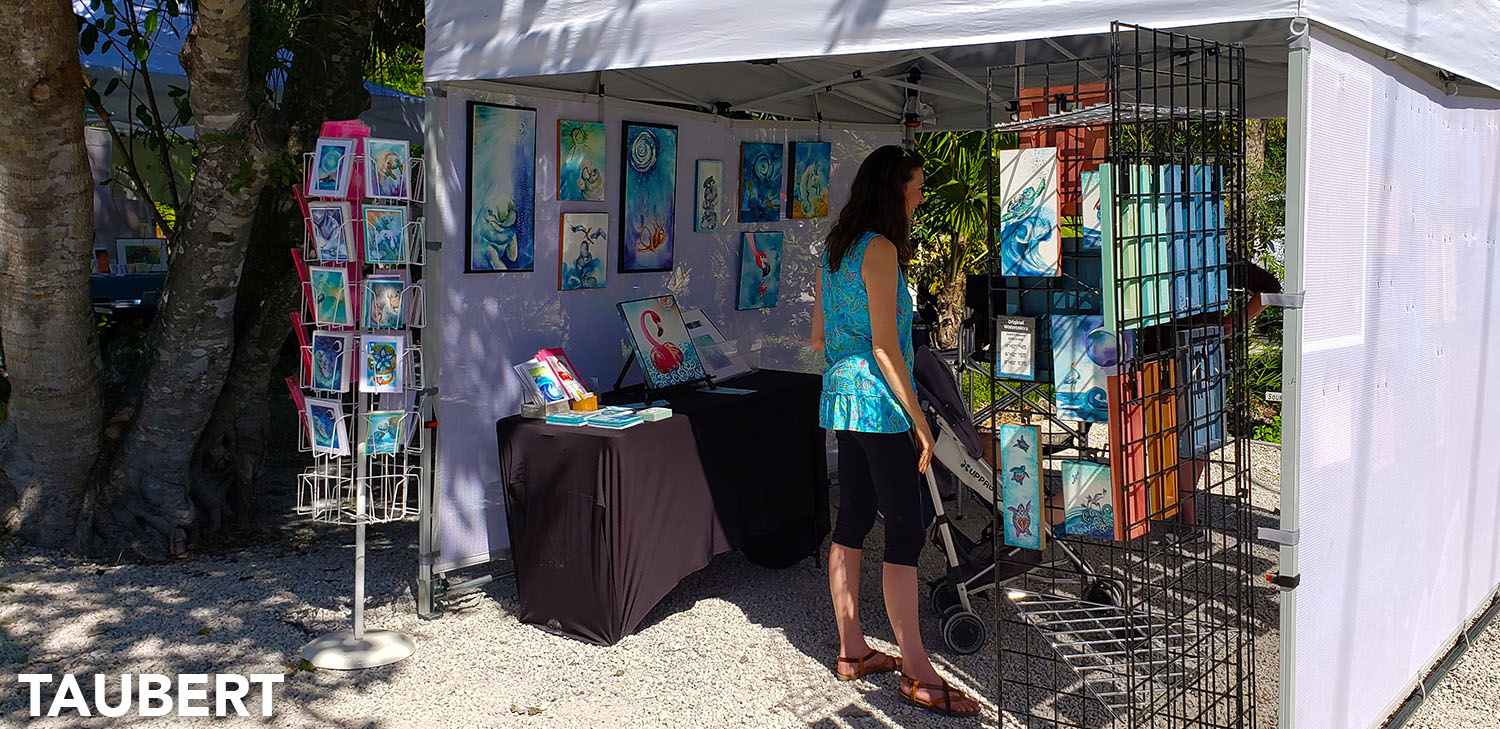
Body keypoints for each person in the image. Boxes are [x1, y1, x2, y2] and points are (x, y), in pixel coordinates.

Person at [810, 145, 981, 718]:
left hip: (839, 397)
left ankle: (852, 648)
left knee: (853, 518)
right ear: (893, 189)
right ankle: (915, 665)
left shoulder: (834, 250)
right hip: (875, 403)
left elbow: (817, 338)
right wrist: (918, 418)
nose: (923, 195)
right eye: (917, 186)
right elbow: (886, 347)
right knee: (905, 524)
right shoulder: (880, 250)